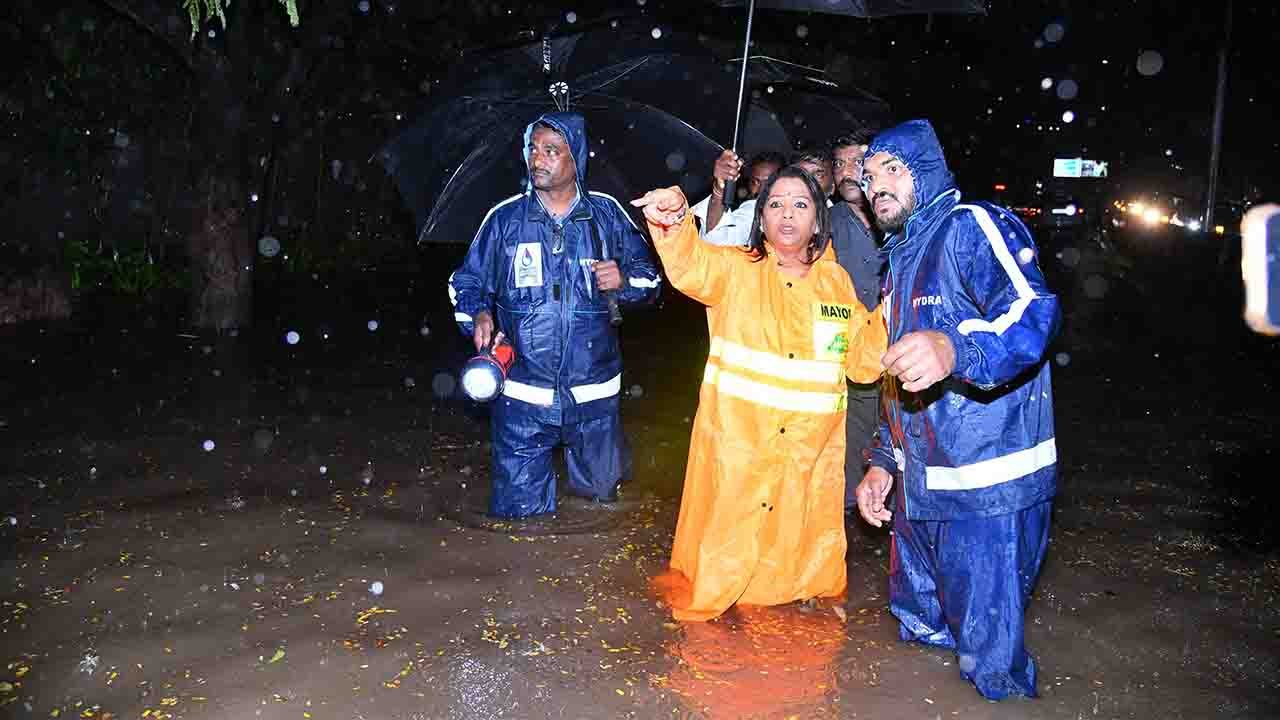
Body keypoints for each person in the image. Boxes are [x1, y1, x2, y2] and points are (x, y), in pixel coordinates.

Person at [851, 119, 1061, 700]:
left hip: (986, 492)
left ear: (925, 172)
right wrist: (882, 464)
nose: (878, 186)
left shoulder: (969, 227)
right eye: (869, 178)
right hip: (920, 491)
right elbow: (902, 381)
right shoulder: (896, 264)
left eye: (892, 170)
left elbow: (1035, 311)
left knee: (990, 666)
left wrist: (956, 347)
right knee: (917, 638)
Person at [632, 166, 887, 622]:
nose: (787, 214)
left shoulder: (836, 284)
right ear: (760, 215)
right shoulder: (734, 267)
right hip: (740, 447)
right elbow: (690, 264)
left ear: (818, 220)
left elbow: (863, 362)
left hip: (808, 454)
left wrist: (894, 310)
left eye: (801, 205)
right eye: (776, 204)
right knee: (725, 569)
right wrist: (672, 215)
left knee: (797, 600)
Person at [448, 112, 661, 519]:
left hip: (594, 393)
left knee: (604, 504)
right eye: (533, 149)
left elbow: (652, 282)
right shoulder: (504, 219)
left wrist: (624, 281)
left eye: (551, 151)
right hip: (523, 393)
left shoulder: (607, 214)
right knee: (519, 517)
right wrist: (477, 314)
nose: (537, 159)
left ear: (575, 158)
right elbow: (464, 282)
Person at [829, 130, 886, 514]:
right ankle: (848, 515)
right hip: (846, 358)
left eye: (856, 162)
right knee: (850, 443)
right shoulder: (820, 221)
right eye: (839, 164)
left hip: (899, 355)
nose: (847, 171)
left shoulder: (898, 219)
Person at [695, 146, 834, 249]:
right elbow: (716, 240)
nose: (808, 182)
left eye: (818, 174)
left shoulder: (844, 220)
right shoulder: (760, 211)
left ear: (833, 186)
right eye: (801, 174)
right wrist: (719, 191)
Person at [691, 149, 786, 240]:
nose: (761, 189)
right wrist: (719, 192)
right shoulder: (752, 210)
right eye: (755, 182)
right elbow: (716, 238)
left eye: (769, 182)